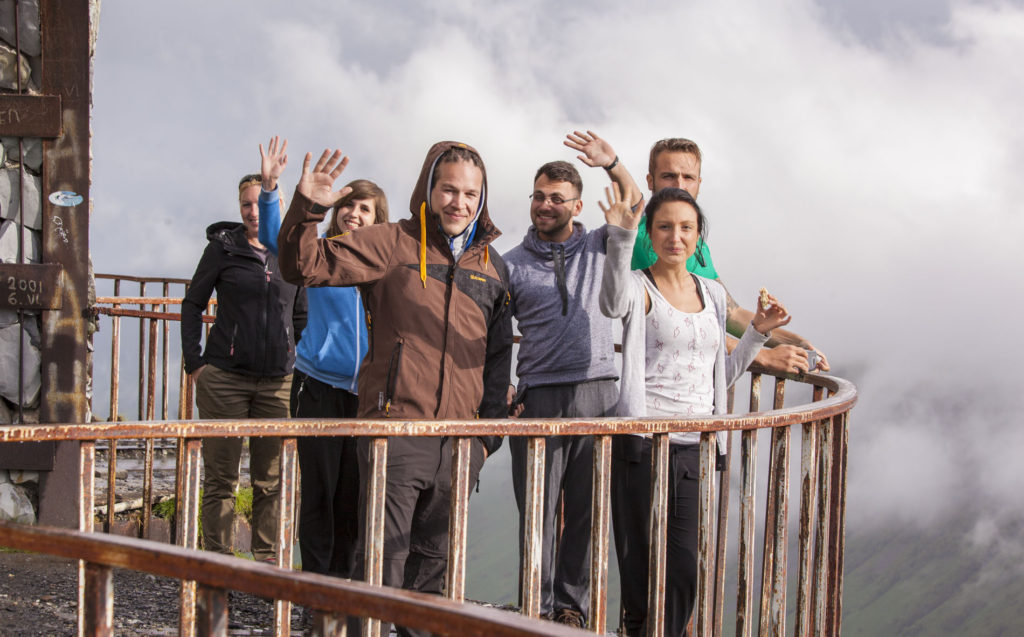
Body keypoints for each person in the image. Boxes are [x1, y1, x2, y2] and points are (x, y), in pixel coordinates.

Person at [277, 142, 512, 637]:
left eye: (471, 193)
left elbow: (497, 358)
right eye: (448, 189)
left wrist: (485, 440)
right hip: (394, 429)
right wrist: (308, 210)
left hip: (458, 441)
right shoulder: (392, 242)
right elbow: (304, 267)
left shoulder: (493, 267)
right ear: (429, 188)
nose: (459, 202)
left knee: (434, 566)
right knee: (381, 561)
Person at [599, 185, 791, 636]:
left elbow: (718, 376)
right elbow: (609, 304)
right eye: (664, 227)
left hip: (695, 446)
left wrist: (758, 333)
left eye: (686, 227)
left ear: (699, 235)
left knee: (684, 567)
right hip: (642, 446)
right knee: (640, 568)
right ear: (650, 231)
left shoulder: (713, 295)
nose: (675, 237)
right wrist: (620, 236)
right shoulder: (638, 287)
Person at [503, 131, 640, 628]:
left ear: (576, 204)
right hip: (538, 394)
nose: (544, 205)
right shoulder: (511, 264)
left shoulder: (601, 243)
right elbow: (496, 334)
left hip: (598, 391)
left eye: (556, 198)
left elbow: (634, 203)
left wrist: (613, 163)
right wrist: (504, 387)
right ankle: (534, 608)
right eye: (538, 196)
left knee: (584, 511)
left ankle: (570, 608)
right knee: (536, 510)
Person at [256, 136, 389, 578]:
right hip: (318, 386)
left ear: (378, 219)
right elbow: (280, 242)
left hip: (368, 396)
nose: (354, 213)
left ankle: (345, 590)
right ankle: (315, 588)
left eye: (365, 209)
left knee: (353, 497)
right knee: (318, 493)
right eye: (348, 206)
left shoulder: (386, 264)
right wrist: (273, 190)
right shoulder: (323, 255)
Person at [181, 173, 303, 563]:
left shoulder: (291, 251)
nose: (253, 212)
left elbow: (301, 316)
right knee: (221, 478)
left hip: (278, 383)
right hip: (223, 379)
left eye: (260, 204)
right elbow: (192, 304)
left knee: (271, 480)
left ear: (276, 206)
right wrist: (194, 364)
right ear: (239, 208)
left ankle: (266, 563)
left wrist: (298, 368)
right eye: (246, 204)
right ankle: (218, 563)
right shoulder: (223, 248)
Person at [631, 137, 829, 375]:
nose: (679, 185)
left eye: (688, 177)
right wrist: (764, 356)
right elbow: (688, 327)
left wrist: (796, 344)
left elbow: (730, 313)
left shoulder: (696, 244)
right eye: (669, 176)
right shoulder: (648, 239)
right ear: (650, 181)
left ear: (699, 184)